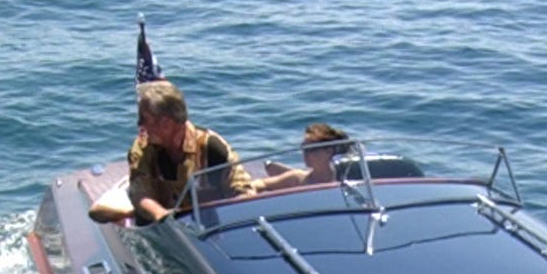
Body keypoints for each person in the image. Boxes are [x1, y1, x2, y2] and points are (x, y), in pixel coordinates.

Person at [89, 79, 248, 224]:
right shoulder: (144, 148)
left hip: (208, 221)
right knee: (98, 212)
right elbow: (141, 195)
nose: (140, 125)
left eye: (145, 119)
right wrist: (161, 215)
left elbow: (242, 189)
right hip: (167, 223)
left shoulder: (212, 147)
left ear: (165, 122)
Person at [255, 122, 355, 188]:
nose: (305, 154)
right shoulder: (298, 178)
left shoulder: (349, 180)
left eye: (311, 149)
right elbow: (262, 184)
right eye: (304, 148)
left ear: (328, 151)